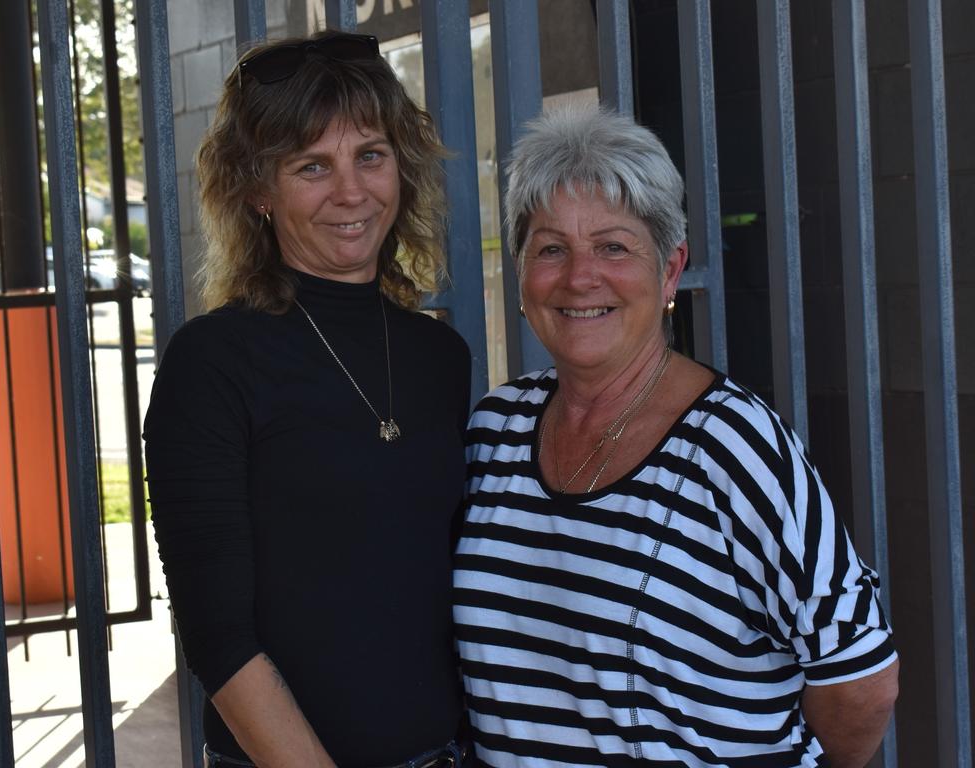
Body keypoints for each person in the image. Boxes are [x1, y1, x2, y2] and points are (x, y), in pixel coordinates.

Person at [453, 107, 898, 767]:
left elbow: (860, 682)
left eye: (613, 246)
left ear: (668, 271)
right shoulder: (496, 428)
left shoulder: (732, 445)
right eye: (552, 248)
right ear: (522, 276)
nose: (580, 277)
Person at [144, 31, 472, 768]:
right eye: (312, 166)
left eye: (371, 155)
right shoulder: (213, 363)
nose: (351, 192)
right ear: (258, 188)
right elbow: (218, 638)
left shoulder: (438, 357)